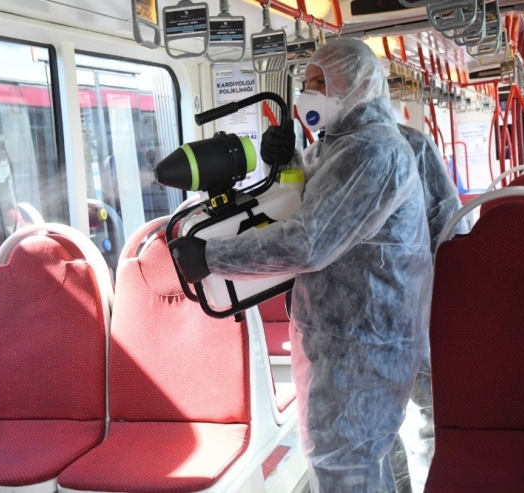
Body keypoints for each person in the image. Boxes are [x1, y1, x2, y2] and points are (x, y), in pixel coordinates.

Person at [169, 38, 433, 493]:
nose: (308, 94)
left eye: (320, 83)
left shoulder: (372, 153)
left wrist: (212, 257)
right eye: (306, 83)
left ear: (356, 86)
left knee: (347, 468)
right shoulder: (339, 147)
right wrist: (287, 159)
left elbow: (309, 240)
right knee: (357, 463)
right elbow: (309, 201)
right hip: (344, 337)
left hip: (362, 341)